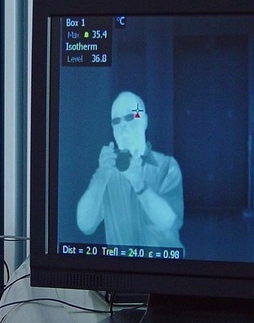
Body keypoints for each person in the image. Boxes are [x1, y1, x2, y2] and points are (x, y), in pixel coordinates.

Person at [76, 91, 184, 248]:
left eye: (130, 117)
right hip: (116, 269)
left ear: (144, 121)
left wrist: (138, 184)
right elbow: (85, 224)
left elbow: (169, 222)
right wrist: (100, 178)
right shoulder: (106, 173)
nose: (123, 125)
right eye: (116, 121)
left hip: (164, 268)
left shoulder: (167, 166)